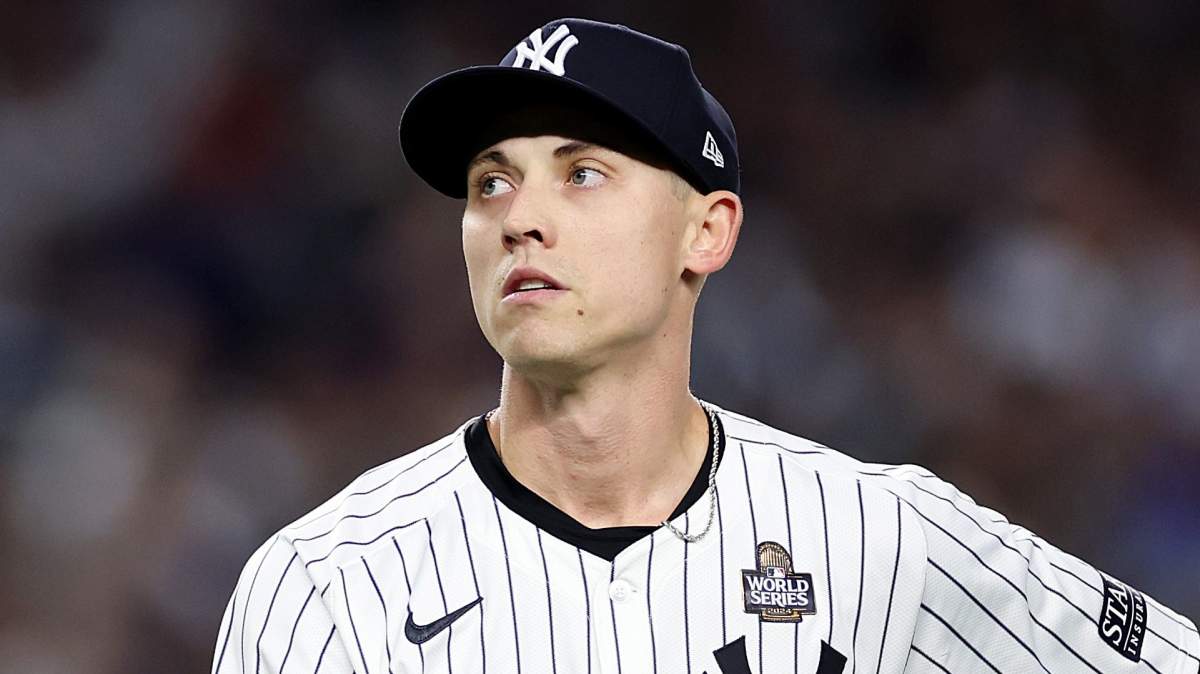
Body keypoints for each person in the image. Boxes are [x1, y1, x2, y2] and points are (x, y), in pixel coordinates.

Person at [212, 18, 1199, 673]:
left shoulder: (877, 534)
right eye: (491, 182)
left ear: (707, 230)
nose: (520, 218)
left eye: (583, 173)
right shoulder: (329, 582)